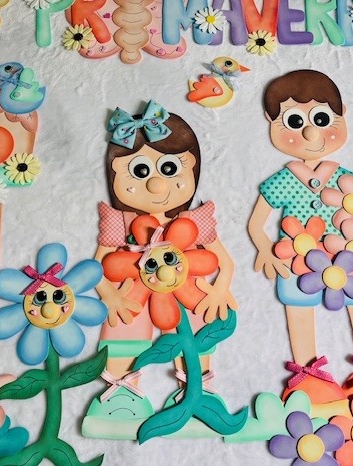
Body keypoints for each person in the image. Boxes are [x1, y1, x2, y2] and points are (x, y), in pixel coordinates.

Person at [83, 100, 237, 436]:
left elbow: (224, 261)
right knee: (124, 328)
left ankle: (197, 389)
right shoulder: (122, 220)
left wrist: (220, 288)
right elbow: (98, 264)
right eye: (140, 171)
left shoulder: (193, 220)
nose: (155, 185)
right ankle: (120, 396)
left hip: (188, 289)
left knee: (197, 328)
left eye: (168, 169)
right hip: (134, 290)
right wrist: (110, 296)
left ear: (192, 166)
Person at [248, 70, 353, 403]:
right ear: (270, 121)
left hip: (351, 255)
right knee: (299, 310)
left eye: (321, 118)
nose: (309, 132)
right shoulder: (284, 180)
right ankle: (308, 378)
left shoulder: (347, 179)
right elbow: (257, 223)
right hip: (297, 258)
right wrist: (267, 250)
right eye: (293, 122)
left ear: (342, 113)